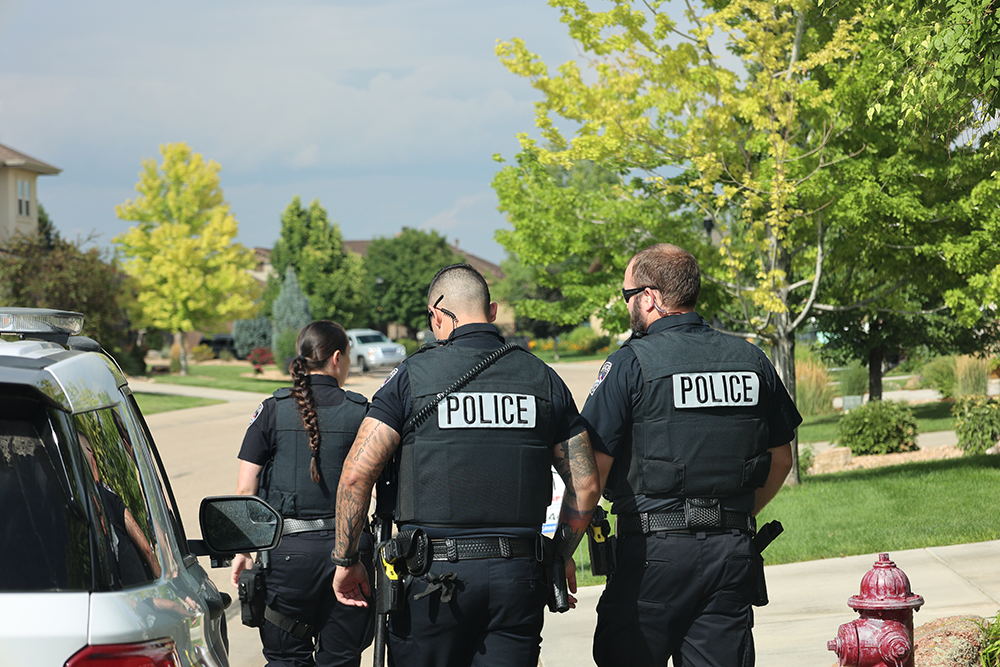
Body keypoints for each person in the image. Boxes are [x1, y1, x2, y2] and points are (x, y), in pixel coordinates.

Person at [331, 263, 601, 667]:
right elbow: (587, 484)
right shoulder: (542, 378)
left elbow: (356, 477)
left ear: (436, 316)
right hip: (518, 579)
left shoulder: (412, 377)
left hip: (433, 584)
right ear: (491, 312)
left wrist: (345, 560)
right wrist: (560, 555)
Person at [582, 243, 801, 667]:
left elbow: (591, 470)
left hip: (652, 555)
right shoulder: (751, 359)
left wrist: (562, 545)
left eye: (628, 296)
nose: (628, 305)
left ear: (650, 298)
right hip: (731, 552)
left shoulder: (629, 364)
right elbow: (782, 459)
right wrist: (731, 516)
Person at [231, 320, 375, 667]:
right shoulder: (362, 411)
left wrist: (243, 551)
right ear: (337, 358)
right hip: (349, 554)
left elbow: (245, 489)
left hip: (286, 558)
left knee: (285, 659)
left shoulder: (271, 409)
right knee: (341, 658)